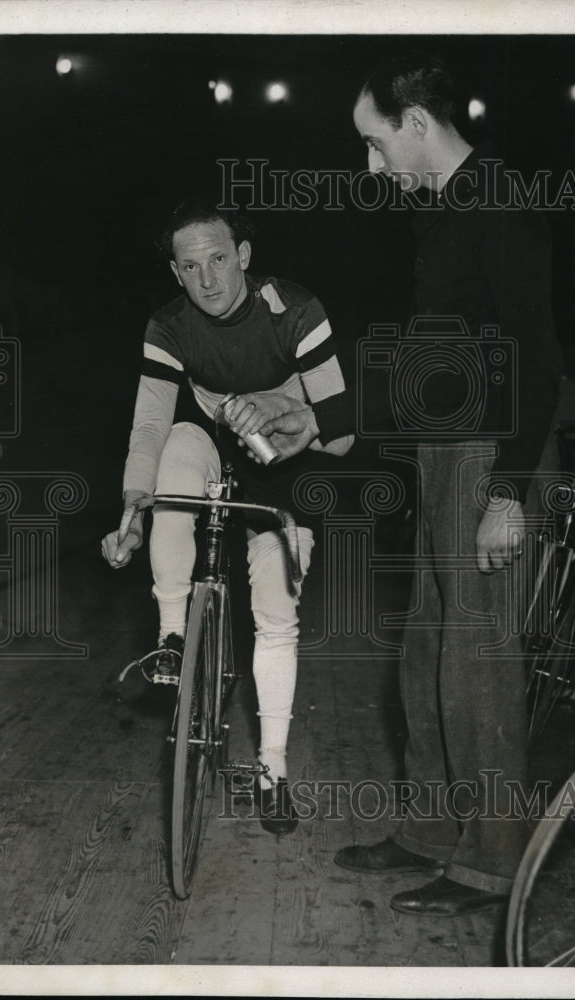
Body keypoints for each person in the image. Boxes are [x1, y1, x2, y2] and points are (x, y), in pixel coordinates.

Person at [249, 51, 562, 914]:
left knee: (479, 665)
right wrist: (322, 413)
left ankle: (494, 863)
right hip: (440, 452)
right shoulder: (441, 213)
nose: (370, 165)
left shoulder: (499, 202)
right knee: (427, 653)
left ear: (417, 125)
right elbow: (428, 360)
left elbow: (538, 357)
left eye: (375, 144)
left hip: (491, 457)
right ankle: (430, 830)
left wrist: (507, 490)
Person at [101, 199, 353, 834]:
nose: (208, 278)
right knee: (180, 444)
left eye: (219, 259)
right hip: (213, 450)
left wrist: (279, 403)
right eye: (192, 266)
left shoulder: (297, 310)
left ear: (243, 256)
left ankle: (272, 769)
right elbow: (151, 424)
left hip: (288, 465)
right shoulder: (169, 324)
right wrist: (133, 508)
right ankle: (172, 637)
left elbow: (343, 436)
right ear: (176, 273)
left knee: (275, 612)